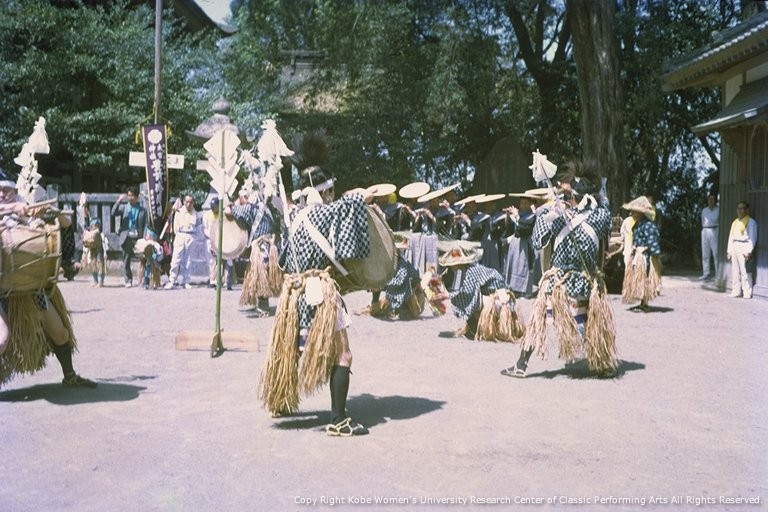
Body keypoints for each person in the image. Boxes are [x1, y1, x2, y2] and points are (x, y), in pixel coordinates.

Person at [259, 129, 372, 436]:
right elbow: (356, 203)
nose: (333, 195)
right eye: (330, 191)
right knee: (343, 354)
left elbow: (284, 261)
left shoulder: (293, 217)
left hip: (293, 296)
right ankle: (338, 420)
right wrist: (365, 194)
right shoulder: (323, 214)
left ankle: (279, 397)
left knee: (292, 350)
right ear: (323, 191)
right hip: (319, 294)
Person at [501, 164, 616, 378]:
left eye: (568, 194)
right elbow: (605, 210)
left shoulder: (561, 216)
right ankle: (603, 365)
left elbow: (537, 241)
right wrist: (556, 208)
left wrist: (552, 209)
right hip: (580, 283)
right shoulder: (597, 216)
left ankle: (521, 365)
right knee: (586, 322)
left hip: (563, 282)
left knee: (541, 321)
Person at [0, 166, 96, 388]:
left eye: (7, 190)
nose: (4, 194)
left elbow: (65, 226)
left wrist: (50, 212)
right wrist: (12, 209)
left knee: (61, 334)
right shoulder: (12, 209)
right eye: (0, 191)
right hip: (1, 292)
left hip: (33, 287)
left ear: (15, 191)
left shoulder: (28, 212)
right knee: (2, 339)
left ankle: (70, 377)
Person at [443, 243, 524, 341]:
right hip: (489, 293)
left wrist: (446, 296)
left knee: (478, 302)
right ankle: (476, 327)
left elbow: (467, 294)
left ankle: (491, 328)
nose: (452, 267)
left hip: (499, 297)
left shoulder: (471, 272)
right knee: (474, 303)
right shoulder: (459, 274)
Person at [621, 196, 662, 312]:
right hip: (637, 255)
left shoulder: (648, 225)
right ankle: (642, 302)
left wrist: (655, 256)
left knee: (645, 277)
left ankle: (645, 303)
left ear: (640, 213)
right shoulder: (637, 224)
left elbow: (652, 242)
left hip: (645, 256)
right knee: (639, 278)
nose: (631, 213)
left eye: (634, 211)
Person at [111, 186, 148, 288]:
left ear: (137, 197)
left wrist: (145, 236)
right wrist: (119, 201)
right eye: (129, 195)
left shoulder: (142, 210)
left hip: (138, 237)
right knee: (126, 259)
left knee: (142, 259)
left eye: (132, 196)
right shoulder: (124, 207)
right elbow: (113, 213)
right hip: (126, 236)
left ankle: (142, 279)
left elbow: (146, 224)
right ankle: (128, 279)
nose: (130, 198)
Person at [164, 195, 198, 289]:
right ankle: (172, 280)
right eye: (187, 202)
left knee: (188, 260)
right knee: (176, 259)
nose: (189, 204)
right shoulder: (179, 212)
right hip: (180, 235)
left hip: (191, 235)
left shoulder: (195, 214)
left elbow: (198, 227)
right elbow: (175, 227)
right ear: (184, 202)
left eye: (191, 202)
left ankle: (186, 281)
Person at [726, 201, 758, 299]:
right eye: (738, 208)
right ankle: (736, 291)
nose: (740, 211)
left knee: (745, 271)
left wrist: (749, 251)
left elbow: (753, 238)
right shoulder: (735, 222)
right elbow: (731, 237)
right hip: (735, 246)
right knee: (735, 271)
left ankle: (747, 292)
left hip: (744, 246)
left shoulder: (751, 222)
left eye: (742, 208)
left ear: (746, 210)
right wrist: (729, 251)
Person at [203, 197, 234, 290]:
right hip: (210, 239)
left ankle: (227, 282)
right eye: (212, 207)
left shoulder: (223, 214)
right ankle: (213, 281)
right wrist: (211, 237)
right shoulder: (206, 215)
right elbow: (205, 228)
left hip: (223, 239)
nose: (213, 209)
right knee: (213, 262)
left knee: (227, 261)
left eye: (215, 207)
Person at [81, 218, 107, 287]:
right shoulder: (90, 233)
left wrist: (105, 253)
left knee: (100, 264)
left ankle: (101, 281)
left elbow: (104, 243)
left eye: (95, 225)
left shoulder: (99, 233)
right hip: (92, 249)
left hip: (99, 250)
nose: (93, 227)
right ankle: (95, 280)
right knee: (93, 264)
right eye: (92, 225)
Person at [700, 193, 719, 280]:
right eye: (709, 199)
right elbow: (702, 220)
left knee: (716, 252)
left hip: (714, 230)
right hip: (705, 230)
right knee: (705, 253)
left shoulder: (718, 210)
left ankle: (717, 274)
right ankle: (706, 273)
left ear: (715, 201)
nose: (710, 201)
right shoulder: (704, 210)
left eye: (712, 199)